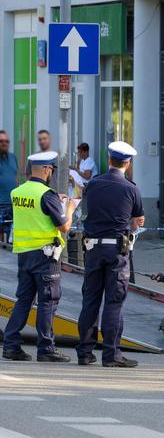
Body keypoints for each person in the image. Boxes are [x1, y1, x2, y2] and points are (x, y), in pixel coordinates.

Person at [76, 141, 145, 367]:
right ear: (128, 163)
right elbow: (135, 223)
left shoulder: (93, 184)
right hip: (116, 251)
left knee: (90, 301)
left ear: (109, 160)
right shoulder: (131, 188)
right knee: (114, 302)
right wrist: (133, 224)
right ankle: (111, 354)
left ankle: (85, 353)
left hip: (92, 249)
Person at [2, 151, 75, 362]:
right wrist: (68, 208)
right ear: (45, 170)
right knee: (48, 301)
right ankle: (46, 348)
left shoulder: (18, 192)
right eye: (51, 169)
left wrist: (55, 201)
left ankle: (11, 345)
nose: (51, 172)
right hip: (45, 257)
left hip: (24, 254)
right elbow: (63, 226)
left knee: (23, 300)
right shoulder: (46, 194)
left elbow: (35, 213)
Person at [0, 130, 18, 242]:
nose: (4, 143)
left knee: (11, 237)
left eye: (6, 141)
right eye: (1, 141)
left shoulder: (13, 157)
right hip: (0, 204)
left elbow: (15, 177)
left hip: (13, 204)